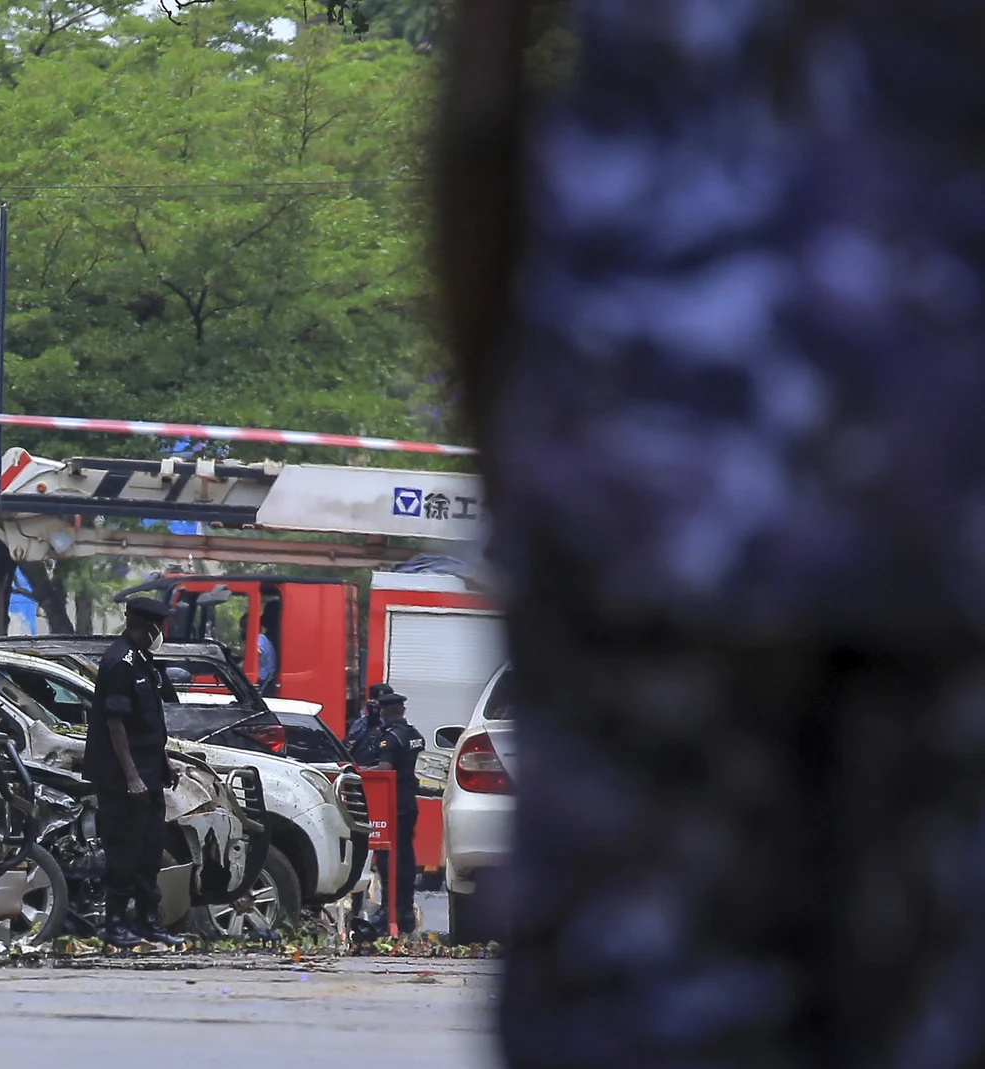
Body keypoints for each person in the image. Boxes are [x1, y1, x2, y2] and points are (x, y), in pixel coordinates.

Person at [438, 2, 985, 1066]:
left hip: (648, 489)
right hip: (941, 494)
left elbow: (480, 118)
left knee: (643, 997)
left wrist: (519, 461)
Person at [84, 597, 186, 948]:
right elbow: (115, 724)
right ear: (149, 625)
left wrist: (163, 763)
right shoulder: (119, 662)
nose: (163, 633)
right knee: (123, 852)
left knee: (149, 851)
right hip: (123, 779)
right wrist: (131, 776)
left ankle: (147, 920)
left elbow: (148, 724)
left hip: (149, 773)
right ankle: (114, 923)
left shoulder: (144, 660)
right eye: (162, 626)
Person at [363, 689, 424, 934]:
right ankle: (406, 909)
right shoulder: (413, 735)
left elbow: (385, 768)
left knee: (388, 858)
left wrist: (362, 771)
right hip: (409, 802)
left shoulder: (390, 738)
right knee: (407, 856)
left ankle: (390, 910)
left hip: (393, 804)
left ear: (385, 712)